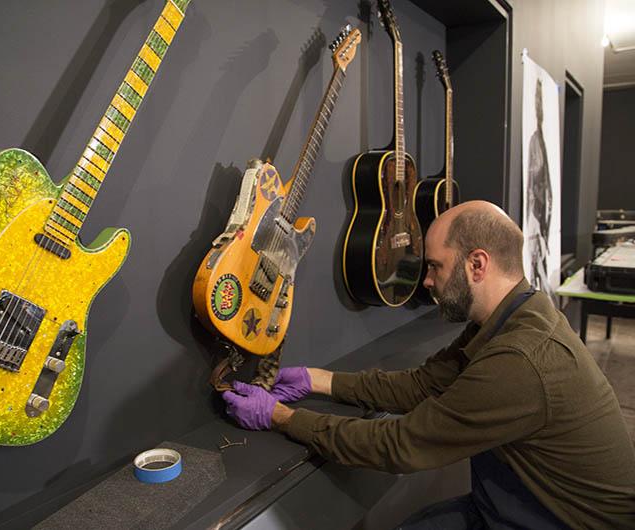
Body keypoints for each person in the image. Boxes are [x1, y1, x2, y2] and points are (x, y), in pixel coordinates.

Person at [221, 201, 635, 529]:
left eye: (436, 266)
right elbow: (422, 385)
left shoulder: (520, 359)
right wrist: (317, 379)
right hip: (517, 503)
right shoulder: (511, 317)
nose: (426, 282)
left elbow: (400, 445)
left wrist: (278, 416)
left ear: (477, 264)